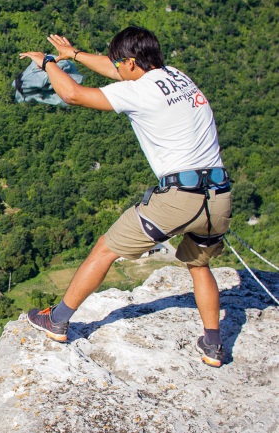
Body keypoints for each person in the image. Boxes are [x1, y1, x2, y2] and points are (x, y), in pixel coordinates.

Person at [20, 26, 232, 368]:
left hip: (179, 197)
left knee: (105, 249)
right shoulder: (178, 76)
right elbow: (113, 67)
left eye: (121, 64)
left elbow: (73, 94)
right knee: (199, 263)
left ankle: (57, 320)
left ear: (132, 63)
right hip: (218, 196)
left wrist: (47, 64)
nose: (116, 68)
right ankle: (212, 345)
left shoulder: (140, 94)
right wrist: (73, 55)